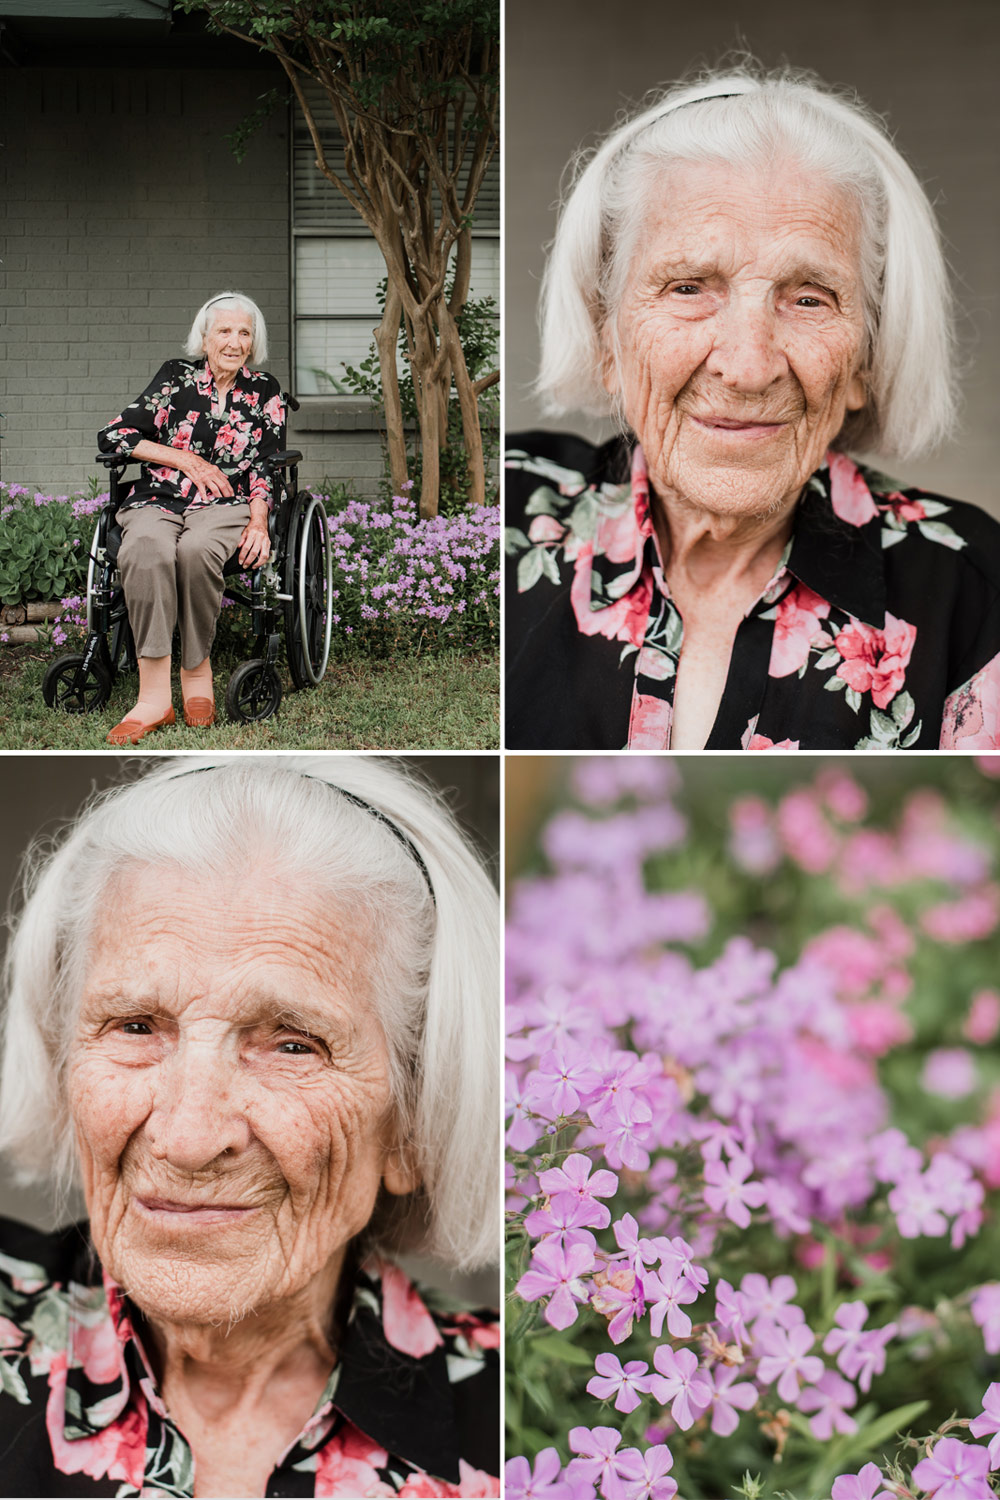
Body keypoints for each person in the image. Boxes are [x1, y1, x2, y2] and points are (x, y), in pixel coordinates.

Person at [0, 756, 500, 1499]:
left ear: (412, 1118)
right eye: (135, 1026)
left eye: (293, 1043)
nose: (189, 1136)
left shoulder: (511, 1424)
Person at [505, 65, 1000, 751]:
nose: (747, 366)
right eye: (688, 287)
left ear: (865, 355)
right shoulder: (501, 514)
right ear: (607, 336)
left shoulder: (973, 585)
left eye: (808, 298)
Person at [97, 293, 286, 744]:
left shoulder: (264, 391)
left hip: (225, 505)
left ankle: (196, 671)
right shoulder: (175, 378)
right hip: (159, 497)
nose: (235, 342)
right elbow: (116, 435)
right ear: (204, 338)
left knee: (197, 550)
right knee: (145, 548)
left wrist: (258, 522)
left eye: (244, 333)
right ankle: (154, 696)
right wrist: (186, 460)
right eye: (224, 331)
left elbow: (266, 466)